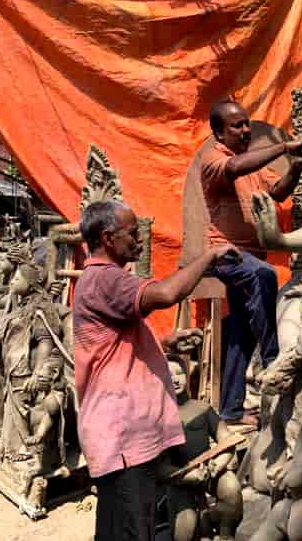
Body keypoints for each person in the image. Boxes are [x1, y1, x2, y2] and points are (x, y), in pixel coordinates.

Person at [73, 199, 237, 541]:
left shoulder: (102, 282)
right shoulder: (106, 279)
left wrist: (164, 344)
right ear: (107, 238)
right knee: (129, 531)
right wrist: (207, 258)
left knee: (126, 528)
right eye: (132, 233)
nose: (139, 240)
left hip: (128, 439)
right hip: (122, 441)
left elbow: (112, 349)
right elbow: (165, 294)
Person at [200, 98, 302, 425]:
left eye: (247, 123)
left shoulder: (251, 165)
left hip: (249, 255)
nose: (246, 130)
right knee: (263, 275)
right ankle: (275, 357)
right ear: (219, 133)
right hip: (226, 253)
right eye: (237, 125)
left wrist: (296, 167)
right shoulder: (214, 160)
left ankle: (231, 412)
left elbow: (277, 193)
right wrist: (283, 148)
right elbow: (234, 170)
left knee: (239, 331)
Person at [162, 358, 243, 541]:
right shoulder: (157, 416)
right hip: (179, 479)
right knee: (187, 528)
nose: (174, 379)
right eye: (168, 374)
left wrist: (219, 463)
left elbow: (227, 440)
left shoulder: (202, 408)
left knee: (231, 489)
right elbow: (160, 468)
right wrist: (188, 476)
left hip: (209, 470)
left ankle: (225, 535)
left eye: (179, 373)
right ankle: (199, 521)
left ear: (187, 376)